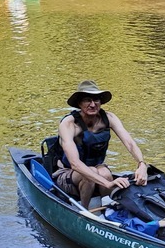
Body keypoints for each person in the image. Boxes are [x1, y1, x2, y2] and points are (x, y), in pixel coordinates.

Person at [53, 80, 148, 208]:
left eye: (96, 100)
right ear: (79, 103)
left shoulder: (109, 118)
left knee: (105, 172)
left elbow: (130, 143)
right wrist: (107, 184)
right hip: (67, 174)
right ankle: (83, 212)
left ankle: (106, 210)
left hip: (97, 170)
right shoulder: (69, 124)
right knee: (91, 173)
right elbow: (75, 164)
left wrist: (142, 164)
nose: (93, 104)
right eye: (87, 100)